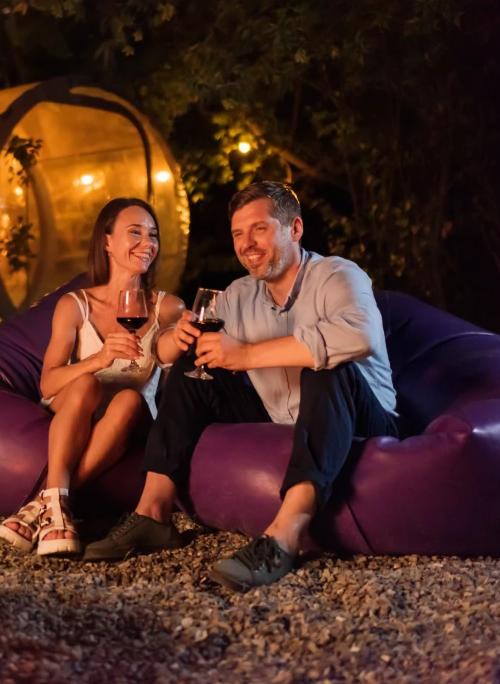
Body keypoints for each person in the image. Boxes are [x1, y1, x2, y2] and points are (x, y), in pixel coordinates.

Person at [83, 181, 398, 590]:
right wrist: (175, 340)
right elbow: (170, 350)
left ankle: (284, 536)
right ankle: (153, 512)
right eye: (237, 234)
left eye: (259, 229)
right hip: (277, 412)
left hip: (361, 418)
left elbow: (359, 338)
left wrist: (245, 354)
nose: (246, 243)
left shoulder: (338, 275)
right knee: (192, 367)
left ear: (295, 229)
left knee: (327, 368)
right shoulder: (238, 294)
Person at [0, 198, 187, 556]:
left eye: (153, 235)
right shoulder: (75, 305)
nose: (148, 243)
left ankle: (47, 505)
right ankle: (53, 508)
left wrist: (190, 333)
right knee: (85, 382)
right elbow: (48, 384)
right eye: (135, 233)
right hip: (77, 404)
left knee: (131, 396)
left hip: (128, 415)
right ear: (107, 242)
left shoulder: (167, 306)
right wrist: (98, 359)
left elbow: (168, 347)